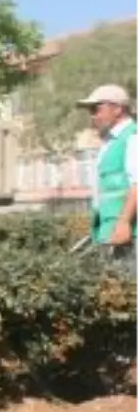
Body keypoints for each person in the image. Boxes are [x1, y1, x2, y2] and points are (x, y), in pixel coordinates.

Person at [76, 84, 137, 275]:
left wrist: (124, 222)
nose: (93, 116)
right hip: (114, 234)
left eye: (97, 109)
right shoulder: (110, 142)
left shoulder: (133, 137)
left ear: (118, 108)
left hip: (131, 236)